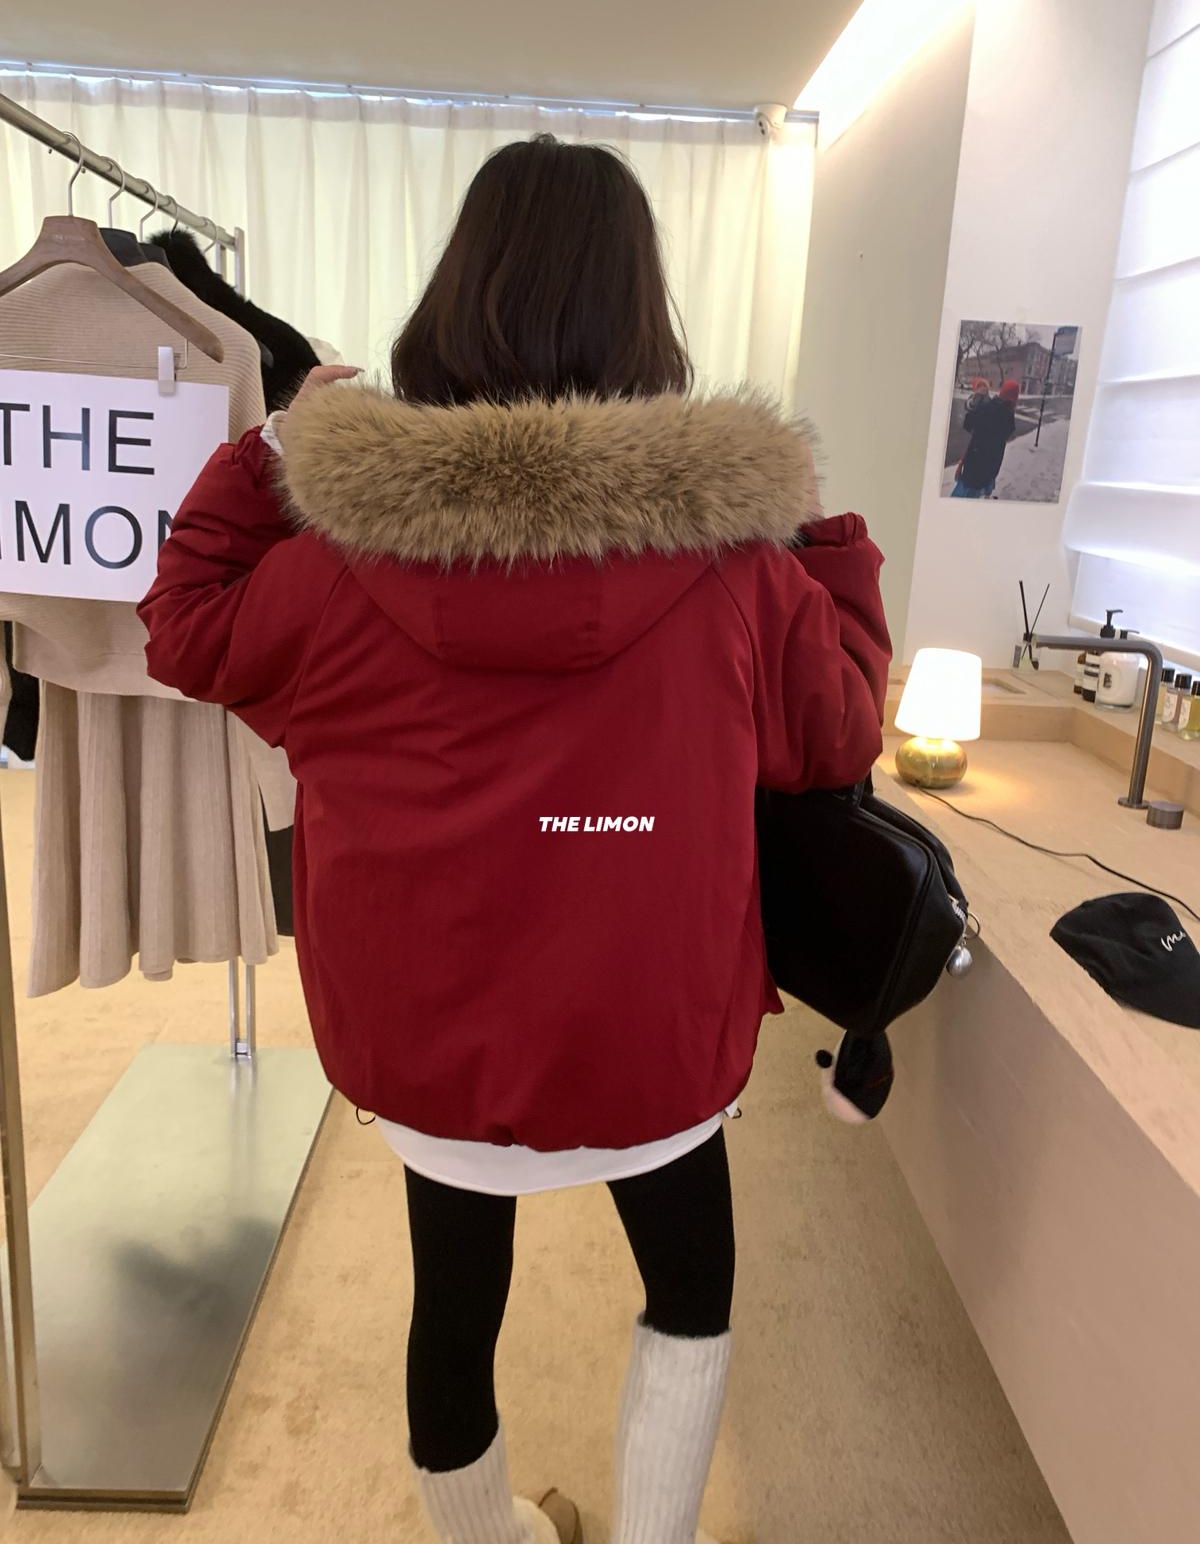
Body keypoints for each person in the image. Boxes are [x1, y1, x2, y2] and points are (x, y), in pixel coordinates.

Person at [138, 135, 891, 1544]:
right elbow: (840, 732)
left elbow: (183, 629)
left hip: (429, 1040)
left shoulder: (336, 559)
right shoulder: (735, 569)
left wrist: (275, 447)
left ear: (453, 298)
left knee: (453, 1302)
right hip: (653, 1031)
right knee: (693, 1288)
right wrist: (822, 539)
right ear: (643, 315)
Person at [952, 376, 1020, 498]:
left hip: (974, 465)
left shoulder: (987, 407)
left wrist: (976, 400)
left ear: (1001, 392)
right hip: (991, 468)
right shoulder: (1009, 418)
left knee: (961, 499)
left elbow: (968, 424)